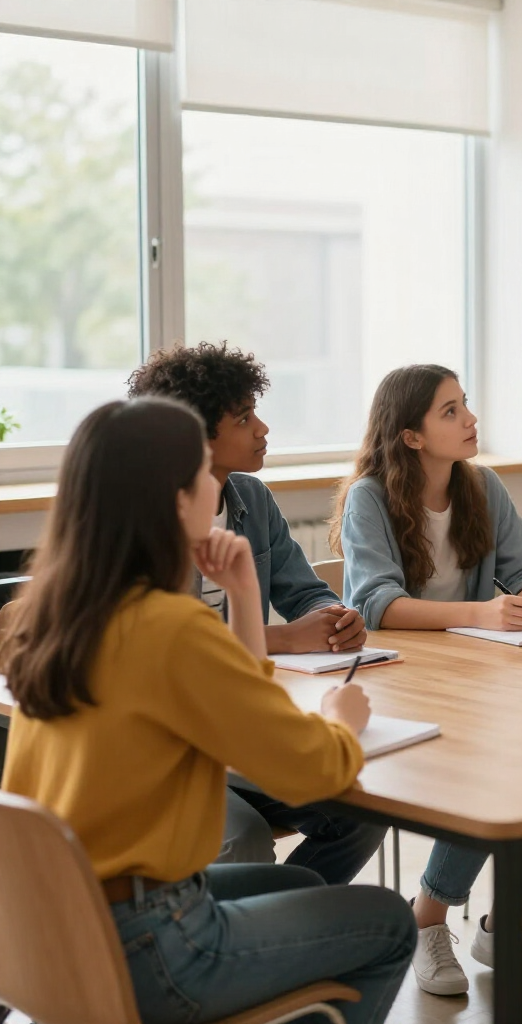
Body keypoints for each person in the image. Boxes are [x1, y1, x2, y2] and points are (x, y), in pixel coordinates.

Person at [0, 397, 416, 1024]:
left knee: (300, 888)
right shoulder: (170, 628)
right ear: (173, 501)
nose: (214, 485)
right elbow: (312, 773)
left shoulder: (55, 618)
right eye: (201, 469)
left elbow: (237, 708)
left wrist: (246, 596)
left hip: (55, 923)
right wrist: (340, 720)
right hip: (153, 944)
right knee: (387, 920)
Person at [328, 363, 522, 997]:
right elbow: (376, 603)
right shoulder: (370, 497)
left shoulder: (483, 486)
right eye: (451, 411)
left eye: (467, 405)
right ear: (410, 435)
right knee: (491, 768)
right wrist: (483, 613)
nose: (471, 420)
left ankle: (502, 925)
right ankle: (428, 920)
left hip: (480, 674)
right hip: (400, 680)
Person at [127, 342, 387, 883]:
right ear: (194, 440)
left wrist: (335, 617)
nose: (263, 429)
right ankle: (275, 932)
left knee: (360, 809)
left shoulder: (251, 497)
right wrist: (287, 639)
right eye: (244, 418)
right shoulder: (147, 524)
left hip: (236, 736)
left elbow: (304, 591)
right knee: (242, 836)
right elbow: (178, 654)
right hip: (177, 750)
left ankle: (292, 924)